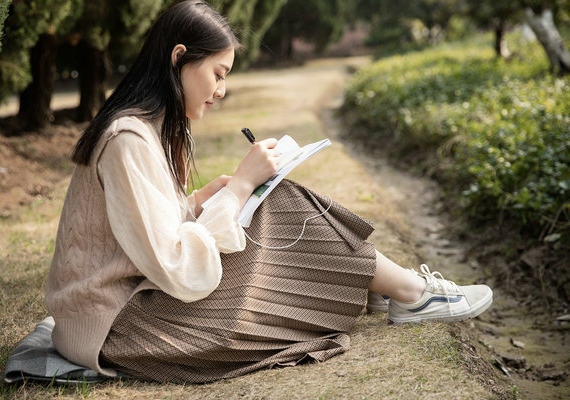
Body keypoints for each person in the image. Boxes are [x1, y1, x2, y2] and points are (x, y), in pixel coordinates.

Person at [45, 0, 493, 384]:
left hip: (129, 310)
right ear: (179, 58)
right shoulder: (128, 137)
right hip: (120, 329)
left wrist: (201, 199)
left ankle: (389, 286)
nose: (220, 91)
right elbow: (178, 267)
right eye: (218, 74)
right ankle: (408, 292)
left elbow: (142, 228)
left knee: (272, 197)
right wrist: (238, 187)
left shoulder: (144, 129)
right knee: (276, 203)